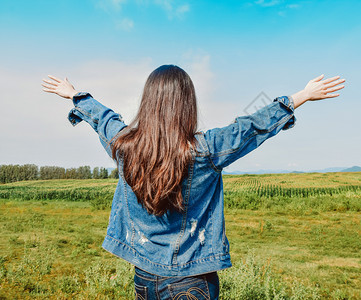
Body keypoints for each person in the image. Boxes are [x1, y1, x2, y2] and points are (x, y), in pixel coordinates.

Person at [42, 65, 345, 300]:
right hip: (193, 280)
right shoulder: (206, 150)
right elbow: (248, 127)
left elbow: (104, 118)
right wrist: (301, 96)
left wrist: (74, 94)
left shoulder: (125, 145)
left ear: (148, 102)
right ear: (187, 104)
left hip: (144, 276)